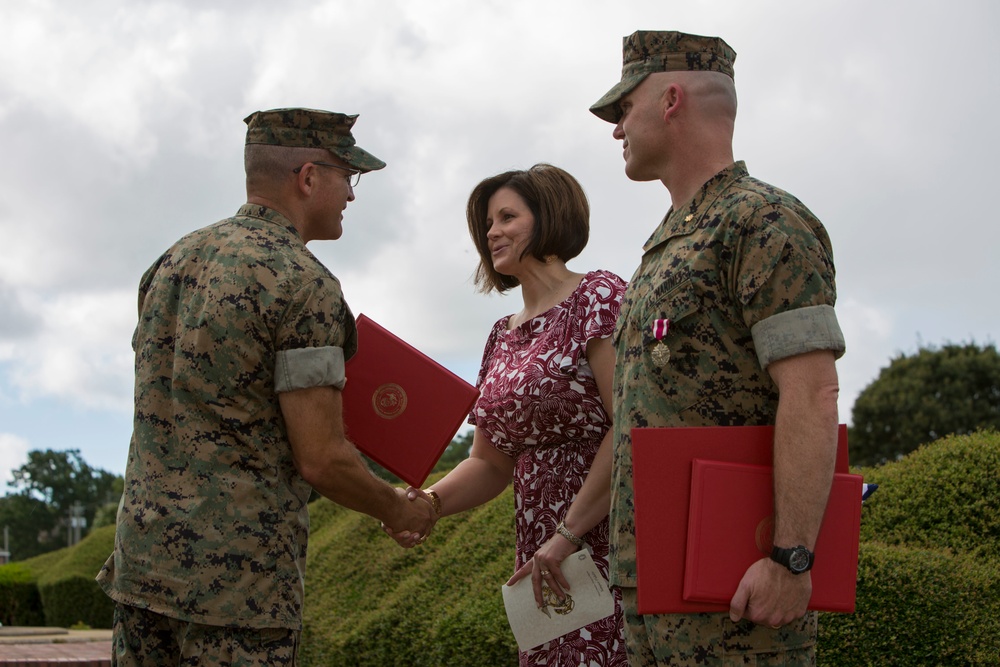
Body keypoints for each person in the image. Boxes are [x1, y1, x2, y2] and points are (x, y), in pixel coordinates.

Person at [96, 108, 435, 666]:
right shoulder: (305, 284)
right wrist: (397, 510)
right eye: (348, 176)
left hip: (141, 572)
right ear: (308, 178)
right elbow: (322, 459)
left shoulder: (172, 261)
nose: (351, 194)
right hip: (237, 593)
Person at [588, 31, 847, 666]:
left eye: (625, 108)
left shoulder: (762, 222)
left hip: (737, 589)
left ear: (671, 99)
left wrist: (790, 559)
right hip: (653, 578)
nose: (616, 128)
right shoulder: (667, 243)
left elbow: (812, 392)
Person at [388, 164, 628, 666]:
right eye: (487, 223)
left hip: (606, 543)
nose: (491, 232)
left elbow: (630, 426)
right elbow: (490, 463)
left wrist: (568, 535)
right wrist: (428, 505)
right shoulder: (501, 334)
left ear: (548, 217)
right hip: (541, 556)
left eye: (507, 217)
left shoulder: (598, 296)